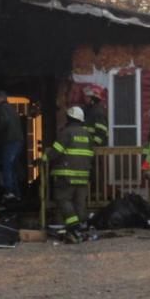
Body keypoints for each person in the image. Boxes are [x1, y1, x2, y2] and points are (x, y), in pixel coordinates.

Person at [48, 105, 94, 240]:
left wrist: (44, 159)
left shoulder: (66, 132)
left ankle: (73, 226)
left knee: (63, 199)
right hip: (83, 175)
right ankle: (78, 228)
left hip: (66, 175)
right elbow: (91, 154)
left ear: (69, 118)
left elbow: (55, 152)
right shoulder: (88, 135)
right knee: (79, 202)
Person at [0, 90, 23, 201]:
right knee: (12, 167)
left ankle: (9, 191)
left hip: (9, 141)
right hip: (17, 141)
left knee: (7, 166)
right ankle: (16, 194)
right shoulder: (12, 108)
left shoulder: (1, 108)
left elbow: (4, 122)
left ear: (0, 98)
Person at [81, 83, 108, 151]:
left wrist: (94, 145)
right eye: (85, 96)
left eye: (87, 97)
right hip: (88, 147)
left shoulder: (98, 112)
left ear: (93, 98)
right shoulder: (88, 110)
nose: (84, 98)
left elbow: (102, 131)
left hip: (96, 149)